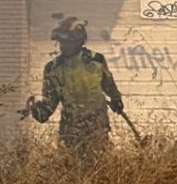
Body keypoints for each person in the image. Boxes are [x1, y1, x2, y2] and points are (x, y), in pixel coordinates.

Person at [23, 16, 124, 158]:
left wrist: (116, 98)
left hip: (97, 123)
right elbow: (50, 102)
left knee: (98, 163)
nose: (64, 46)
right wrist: (39, 111)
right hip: (70, 125)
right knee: (71, 166)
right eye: (62, 42)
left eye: (68, 42)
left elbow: (108, 84)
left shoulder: (96, 61)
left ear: (79, 41)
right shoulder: (53, 69)